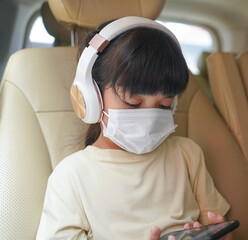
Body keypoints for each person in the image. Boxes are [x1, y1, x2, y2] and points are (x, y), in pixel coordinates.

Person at [36, 16, 231, 240]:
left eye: (163, 105)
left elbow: (213, 225)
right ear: (92, 97)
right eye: (133, 102)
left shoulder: (187, 154)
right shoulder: (71, 177)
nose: (149, 117)